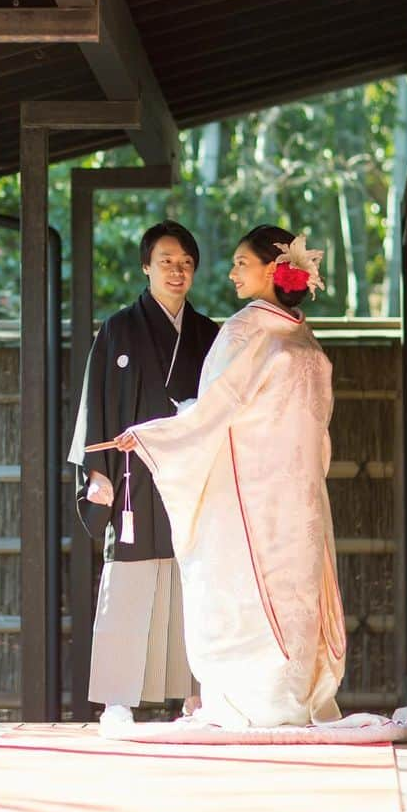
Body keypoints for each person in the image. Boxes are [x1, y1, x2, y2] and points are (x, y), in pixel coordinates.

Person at [111, 225, 346, 729]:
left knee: (272, 588)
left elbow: (213, 410)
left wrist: (158, 435)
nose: (233, 271)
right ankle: (279, 698)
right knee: (277, 588)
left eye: (242, 262)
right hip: (278, 490)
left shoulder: (252, 329)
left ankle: (273, 697)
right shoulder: (286, 331)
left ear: (271, 270)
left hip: (269, 492)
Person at [68, 221, 219, 725]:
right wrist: (97, 471)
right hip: (134, 477)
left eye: (186, 263)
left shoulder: (209, 334)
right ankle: (117, 699)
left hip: (191, 478)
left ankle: (195, 696)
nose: (177, 271)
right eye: (167, 261)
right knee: (129, 581)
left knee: (192, 583)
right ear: (146, 267)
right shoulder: (118, 329)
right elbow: (97, 403)